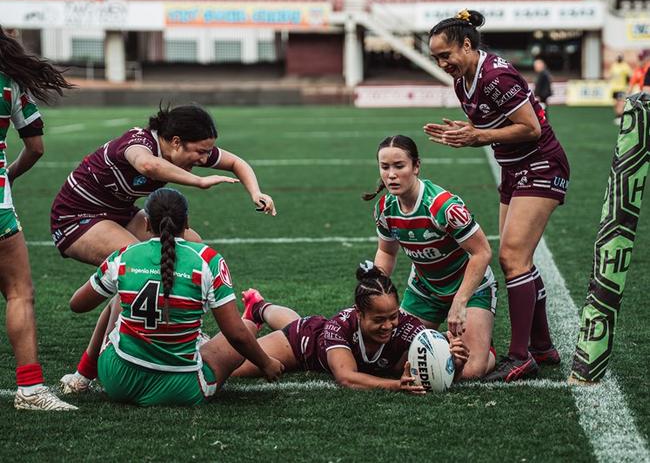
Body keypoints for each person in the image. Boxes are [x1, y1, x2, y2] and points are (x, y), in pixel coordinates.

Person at [55, 103, 277, 394]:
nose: (204, 158)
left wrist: (256, 192)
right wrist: (199, 181)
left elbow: (237, 163)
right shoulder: (139, 142)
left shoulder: (183, 150)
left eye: (208, 152)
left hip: (118, 212)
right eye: (199, 152)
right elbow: (148, 165)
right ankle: (85, 371)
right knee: (138, 268)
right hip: (77, 217)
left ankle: (184, 330)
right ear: (175, 142)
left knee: (193, 246)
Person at [423, 9, 570, 382]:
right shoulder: (463, 83)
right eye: (436, 58)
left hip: (540, 164)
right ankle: (542, 346)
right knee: (517, 259)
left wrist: (479, 136)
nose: (443, 64)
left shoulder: (496, 76)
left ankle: (521, 356)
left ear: (468, 45)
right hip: (514, 169)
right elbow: (491, 125)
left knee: (512, 258)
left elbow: (531, 128)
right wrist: (468, 131)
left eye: (446, 55)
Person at [68, 188, 283, 406]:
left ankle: (83, 375)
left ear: (147, 224)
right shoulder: (208, 260)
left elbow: (77, 304)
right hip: (181, 389)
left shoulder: (124, 256)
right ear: (186, 222)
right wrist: (266, 364)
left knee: (117, 300)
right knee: (245, 327)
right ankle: (194, 339)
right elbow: (235, 334)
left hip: (117, 380)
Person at [215, 262, 469, 392]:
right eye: (379, 320)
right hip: (303, 345)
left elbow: (436, 373)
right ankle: (250, 318)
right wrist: (395, 385)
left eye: (392, 316)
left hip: (315, 331)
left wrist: (454, 363)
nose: (388, 325)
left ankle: (260, 307)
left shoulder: (408, 328)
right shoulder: (340, 325)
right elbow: (346, 378)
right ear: (359, 314)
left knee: (297, 321)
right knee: (231, 367)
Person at [363, 134, 496, 380]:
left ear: (416, 166)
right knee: (394, 363)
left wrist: (460, 301)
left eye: (399, 166)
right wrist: (374, 291)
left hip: (469, 289)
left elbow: (482, 252)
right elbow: (386, 252)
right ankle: (445, 339)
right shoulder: (384, 208)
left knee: (469, 371)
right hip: (424, 290)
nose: (391, 174)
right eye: (385, 167)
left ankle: (484, 344)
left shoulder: (443, 207)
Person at [0, 26, 77, 410]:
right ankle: (30, 390)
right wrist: (8, 175)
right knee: (18, 293)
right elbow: (35, 146)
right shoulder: (9, 82)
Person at [608, 54, 631, 124]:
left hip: (621, 87)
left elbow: (629, 76)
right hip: (614, 88)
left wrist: (628, 85)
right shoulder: (614, 65)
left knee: (620, 103)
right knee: (615, 103)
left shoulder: (625, 66)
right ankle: (617, 116)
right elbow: (610, 75)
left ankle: (620, 116)